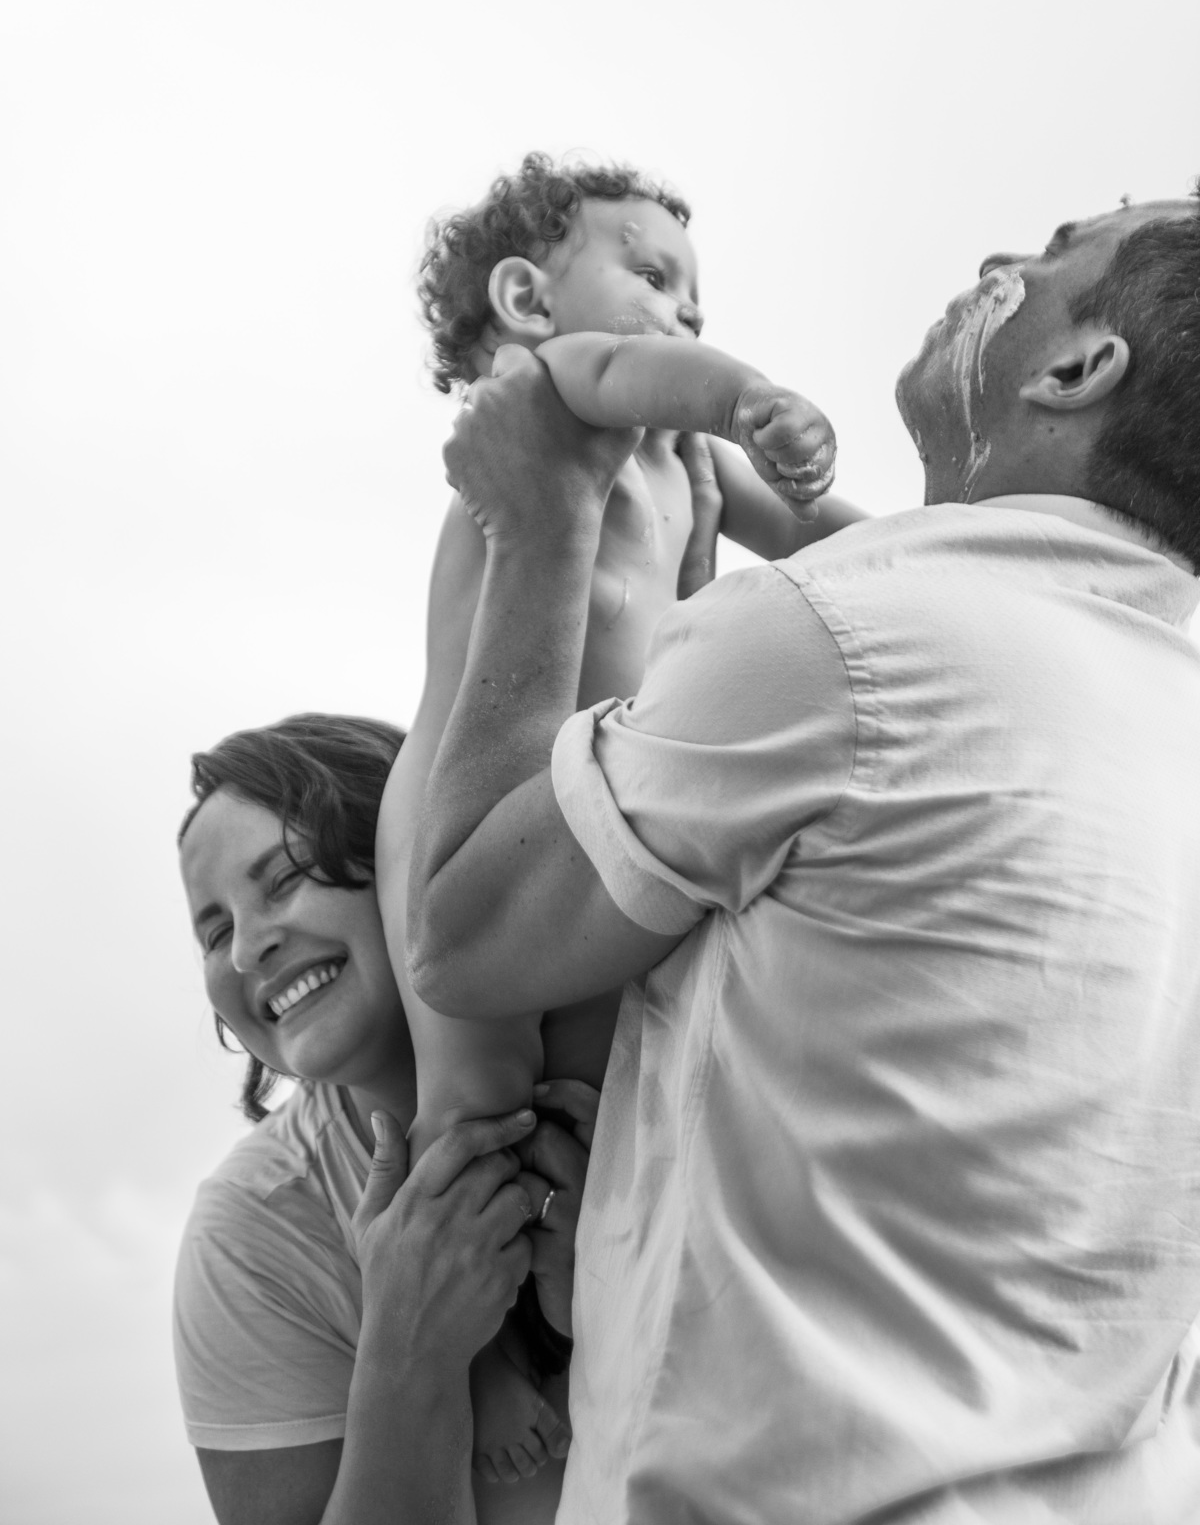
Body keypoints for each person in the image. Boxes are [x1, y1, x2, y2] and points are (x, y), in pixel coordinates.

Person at [407, 196, 1200, 1522]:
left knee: (469, 1112)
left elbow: (465, 939)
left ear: (1077, 371)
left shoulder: (845, 639)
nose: (995, 257)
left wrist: (545, 521)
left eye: (1048, 258)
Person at [378, 151, 863, 1163]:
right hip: (455, 793)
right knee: (477, 1092)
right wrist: (749, 398)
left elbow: (823, 536)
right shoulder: (555, 384)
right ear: (527, 297)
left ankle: (565, 1269)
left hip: (586, 801)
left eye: (696, 302)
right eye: (652, 279)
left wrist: (948, 551)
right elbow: (634, 371)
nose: (687, 320)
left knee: (593, 1078)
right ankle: (440, 1240)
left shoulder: (684, 459)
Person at [173, 712, 596, 1524]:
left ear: (411, 852)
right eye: (217, 929)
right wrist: (411, 1353)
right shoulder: (256, 1231)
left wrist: (618, 1274)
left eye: (285, 877)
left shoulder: (632, 1033)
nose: (246, 949)